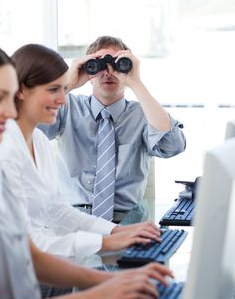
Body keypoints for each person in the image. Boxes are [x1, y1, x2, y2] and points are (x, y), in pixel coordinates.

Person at [0, 38, 174, 299]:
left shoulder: (35, 147)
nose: (9, 112)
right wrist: (99, 281)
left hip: (36, 292)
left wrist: (110, 273)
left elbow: (31, 246)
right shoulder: (2, 155)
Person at [0, 43, 162, 262]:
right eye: (54, 89)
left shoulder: (39, 142)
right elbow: (22, 243)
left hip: (46, 257)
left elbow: (56, 210)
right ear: (20, 90)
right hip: (22, 267)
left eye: (62, 89)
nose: (64, 99)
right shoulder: (2, 150)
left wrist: (114, 232)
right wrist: (105, 242)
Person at [40, 35, 186, 223]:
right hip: (72, 217)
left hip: (127, 220)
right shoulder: (66, 106)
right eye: (98, 65)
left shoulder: (144, 114)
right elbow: (23, 130)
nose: (108, 72)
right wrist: (66, 84)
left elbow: (173, 146)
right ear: (87, 70)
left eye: (118, 64)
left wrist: (136, 82)